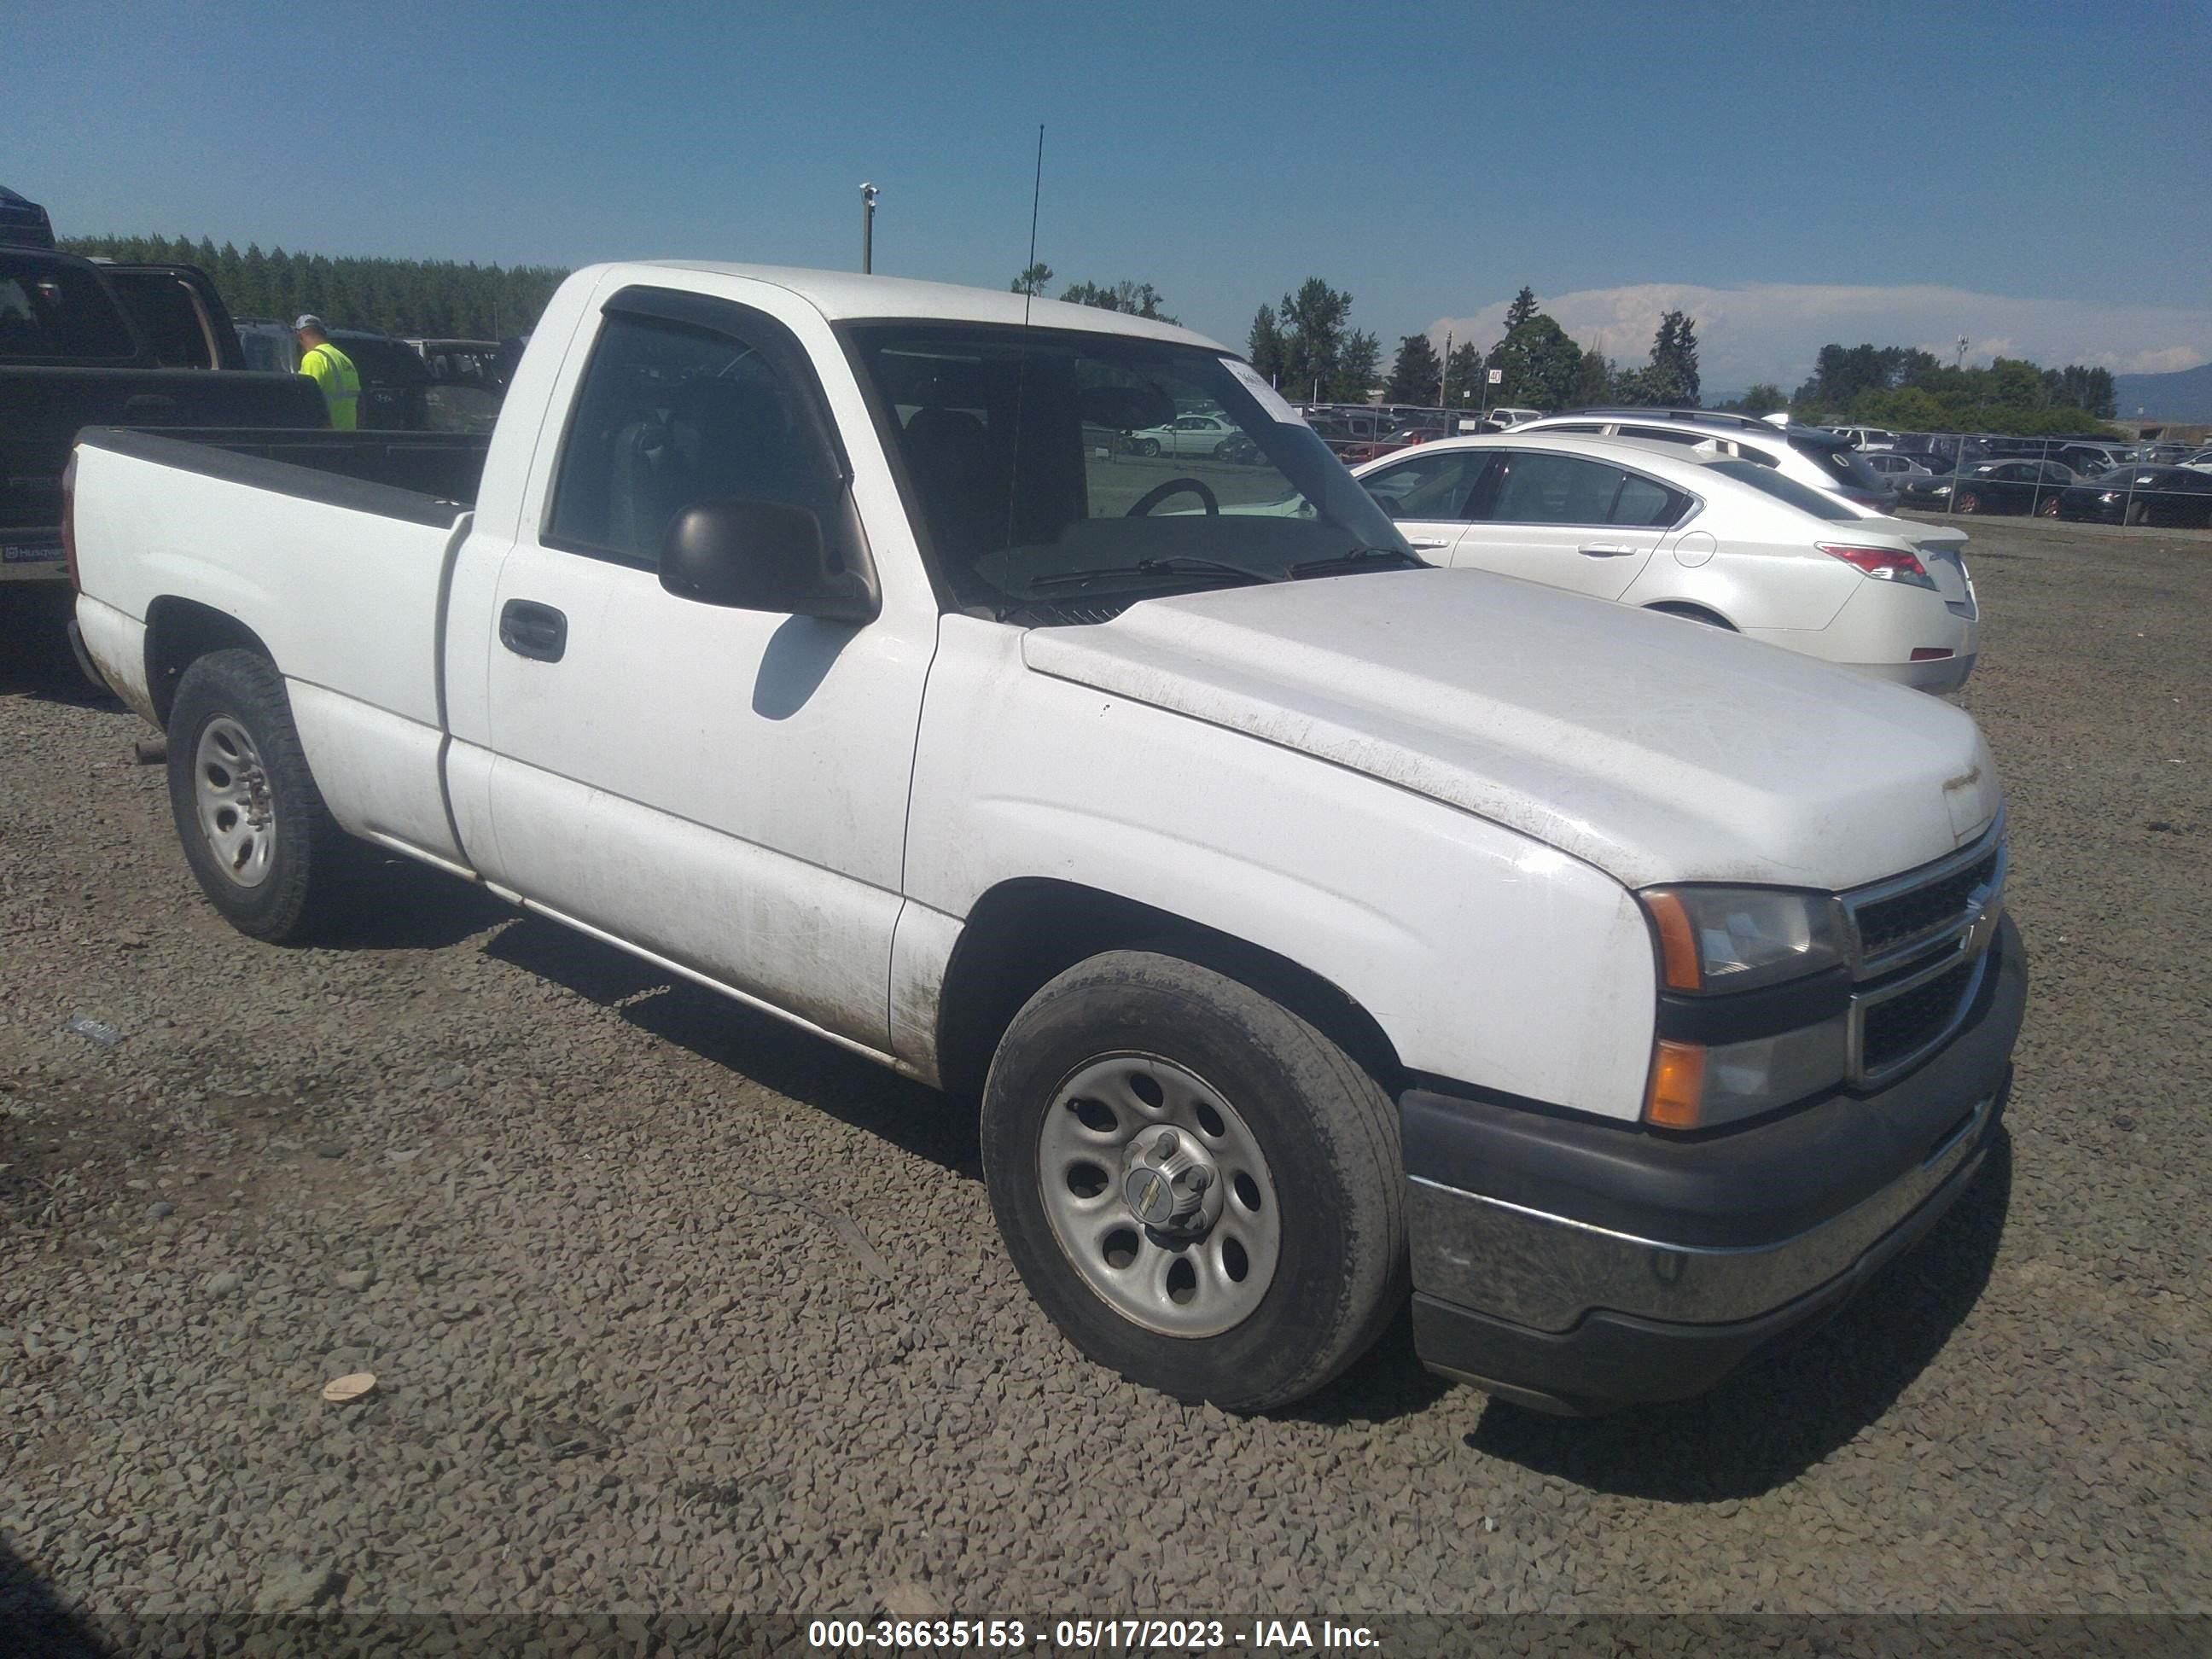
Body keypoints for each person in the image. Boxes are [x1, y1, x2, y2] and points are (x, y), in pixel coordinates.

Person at [292, 315, 360, 429]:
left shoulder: (313, 358)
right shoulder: (343, 358)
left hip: (326, 436)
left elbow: (307, 399)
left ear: (299, 336)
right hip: (349, 435)